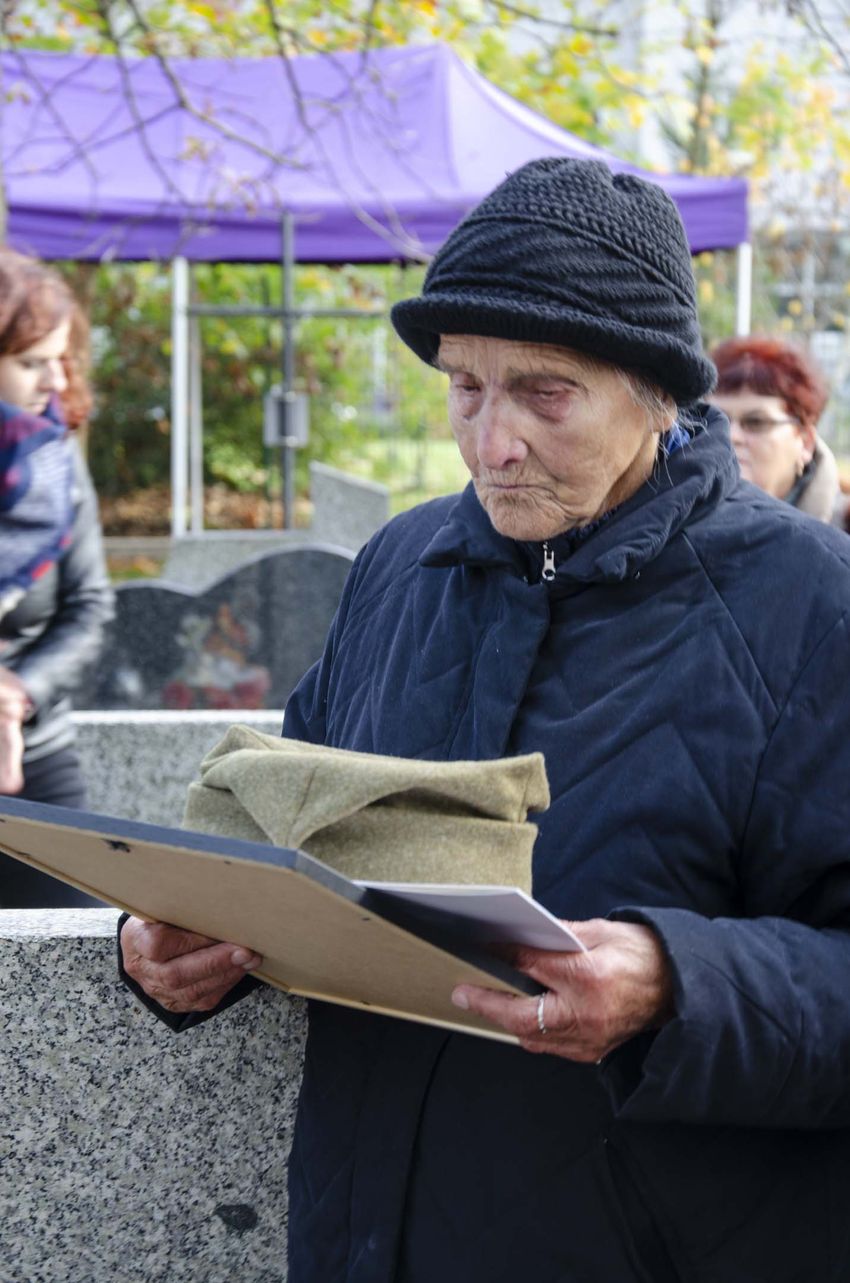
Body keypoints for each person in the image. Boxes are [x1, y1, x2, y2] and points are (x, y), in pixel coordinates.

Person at [119, 159, 850, 1283]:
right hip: (363, 1230)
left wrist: (677, 979)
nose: (489, 442)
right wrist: (185, 943)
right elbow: (288, 829)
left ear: (656, 395)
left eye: (543, 392)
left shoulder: (809, 603)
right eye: (464, 387)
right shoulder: (402, 562)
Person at [0, 248, 113, 906]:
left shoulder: (57, 462)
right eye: (29, 362)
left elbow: (90, 607)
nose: (52, 382)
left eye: (58, 359)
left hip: (34, 757)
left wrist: (17, 690)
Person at [709, 334, 841, 522]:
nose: (731, 436)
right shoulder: (669, 523)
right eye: (716, 420)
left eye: (756, 422)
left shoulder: (843, 534)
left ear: (806, 442)